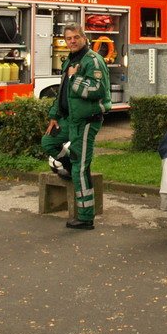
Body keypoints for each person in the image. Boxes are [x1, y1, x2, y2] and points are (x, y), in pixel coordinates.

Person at [41, 24, 112, 230]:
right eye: (68, 38)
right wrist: (54, 115)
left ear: (84, 38)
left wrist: (74, 77)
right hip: (69, 119)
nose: (72, 41)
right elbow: (63, 91)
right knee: (48, 141)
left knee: (81, 170)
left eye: (76, 37)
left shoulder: (93, 60)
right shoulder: (71, 60)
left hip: (87, 120)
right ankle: (70, 165)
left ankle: (85, 217)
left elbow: (98, 89)